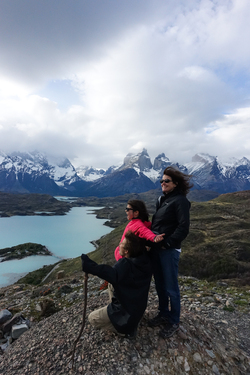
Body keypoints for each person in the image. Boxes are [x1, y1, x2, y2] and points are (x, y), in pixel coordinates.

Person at [81, 231, 152, 338]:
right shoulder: (145, 260)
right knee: (111, 285)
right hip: (137, 310)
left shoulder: (126, 265)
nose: (119, 245)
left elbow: (110, 273)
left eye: (121, 245)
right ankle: (120, 317)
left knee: (92, 318)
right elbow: (113, 276)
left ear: (127, 251)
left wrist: (89, 266)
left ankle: (124, 330)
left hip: (126, 316)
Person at [148, 166, 192, 339]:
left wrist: (168, 244)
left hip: (169, 250)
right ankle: (163, 313)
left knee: (171, 286)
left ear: (175, 183)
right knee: (160, 284)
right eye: (161, 181)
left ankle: (174, 320)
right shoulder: (162, 200)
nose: (163, 183)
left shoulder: (180, 201)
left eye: (166, 181)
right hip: (157, 249)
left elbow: (183, 227)